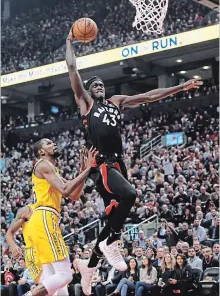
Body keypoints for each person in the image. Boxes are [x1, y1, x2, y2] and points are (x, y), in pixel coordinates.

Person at [66, 28, 202, 295]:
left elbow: (150, 95)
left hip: (118, 163)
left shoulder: (116, 102)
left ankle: (88, 267)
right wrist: (69, 41)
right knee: (130, 193)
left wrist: (180, 87)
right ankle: (111, 243)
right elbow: (72, 69)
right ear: (88, 92)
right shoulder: (86, 105)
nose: (99, 87)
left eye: (101, 84)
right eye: (94, 85)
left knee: (113, 216)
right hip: (100, 164)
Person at [21, 140, 97, 296]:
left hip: (42, 222)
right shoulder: (43, 164)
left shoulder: (52, 172)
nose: (54, 143)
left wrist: (82, 172)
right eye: (48, 143)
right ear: (41, 152)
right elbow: (65, 190)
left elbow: (75, 195)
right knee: (65, 275)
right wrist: (89, 169)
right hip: (44, 218)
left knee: (58, 288)